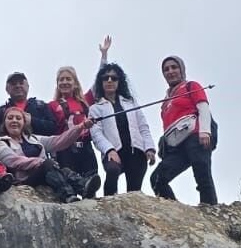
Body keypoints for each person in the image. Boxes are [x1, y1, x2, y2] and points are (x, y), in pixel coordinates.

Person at [0, 106, 100, 203]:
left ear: (24, 122)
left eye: (18, 118)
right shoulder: (1, 142)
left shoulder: (34, 139)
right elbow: (11, 160)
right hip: (24, 180)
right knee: (48, 163)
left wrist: (81, 126)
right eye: (10, 118)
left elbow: (59, 141)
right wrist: (39, 162)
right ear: (4, 122)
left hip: (44, 174)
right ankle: (68, 195)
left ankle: (83, 187)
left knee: (65, 170)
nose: (14, 121)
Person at [150, 55, 217, 205]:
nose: (170, 71)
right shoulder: (165, 101)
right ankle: (176, 212)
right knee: (157, 179)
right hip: (177, 145)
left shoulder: (191, 86)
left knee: (202, 173)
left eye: (174, 67)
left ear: (182, 70)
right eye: (166, 69)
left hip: (196, 136)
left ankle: (210, 210)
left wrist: (205, 131)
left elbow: (203, 107)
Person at [88, 63, 156, 196]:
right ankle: (107, 203)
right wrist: (109, 150)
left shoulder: (131, 102)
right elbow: (96, 134)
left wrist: (149, 148)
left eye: (114, 78)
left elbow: (143, 127)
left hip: (135, 152)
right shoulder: (95, 108)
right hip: (114, 152)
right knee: (112, 171)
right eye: (105, 78)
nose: (109, 81)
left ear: (120, 81)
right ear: (100, 82)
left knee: (134, 193)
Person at [49, 66, 98, 182]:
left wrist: (104, 55)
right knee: (71, 183)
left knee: (91, 181)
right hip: (65, 150)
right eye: (61, 80)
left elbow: (98, 84)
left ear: (75, 83)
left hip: (85, 148)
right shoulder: (52, 105)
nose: (64, 82)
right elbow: (50, 130)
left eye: (68, 79)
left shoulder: (85, 101)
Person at [0, 72, 58, 136]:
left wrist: (32, 121)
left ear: (28, 87)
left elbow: (54, 129)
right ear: (7, 89)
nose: (18, 86)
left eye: (21, 83)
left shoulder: (41, 106)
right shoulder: (1, 111)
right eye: (13, 84)